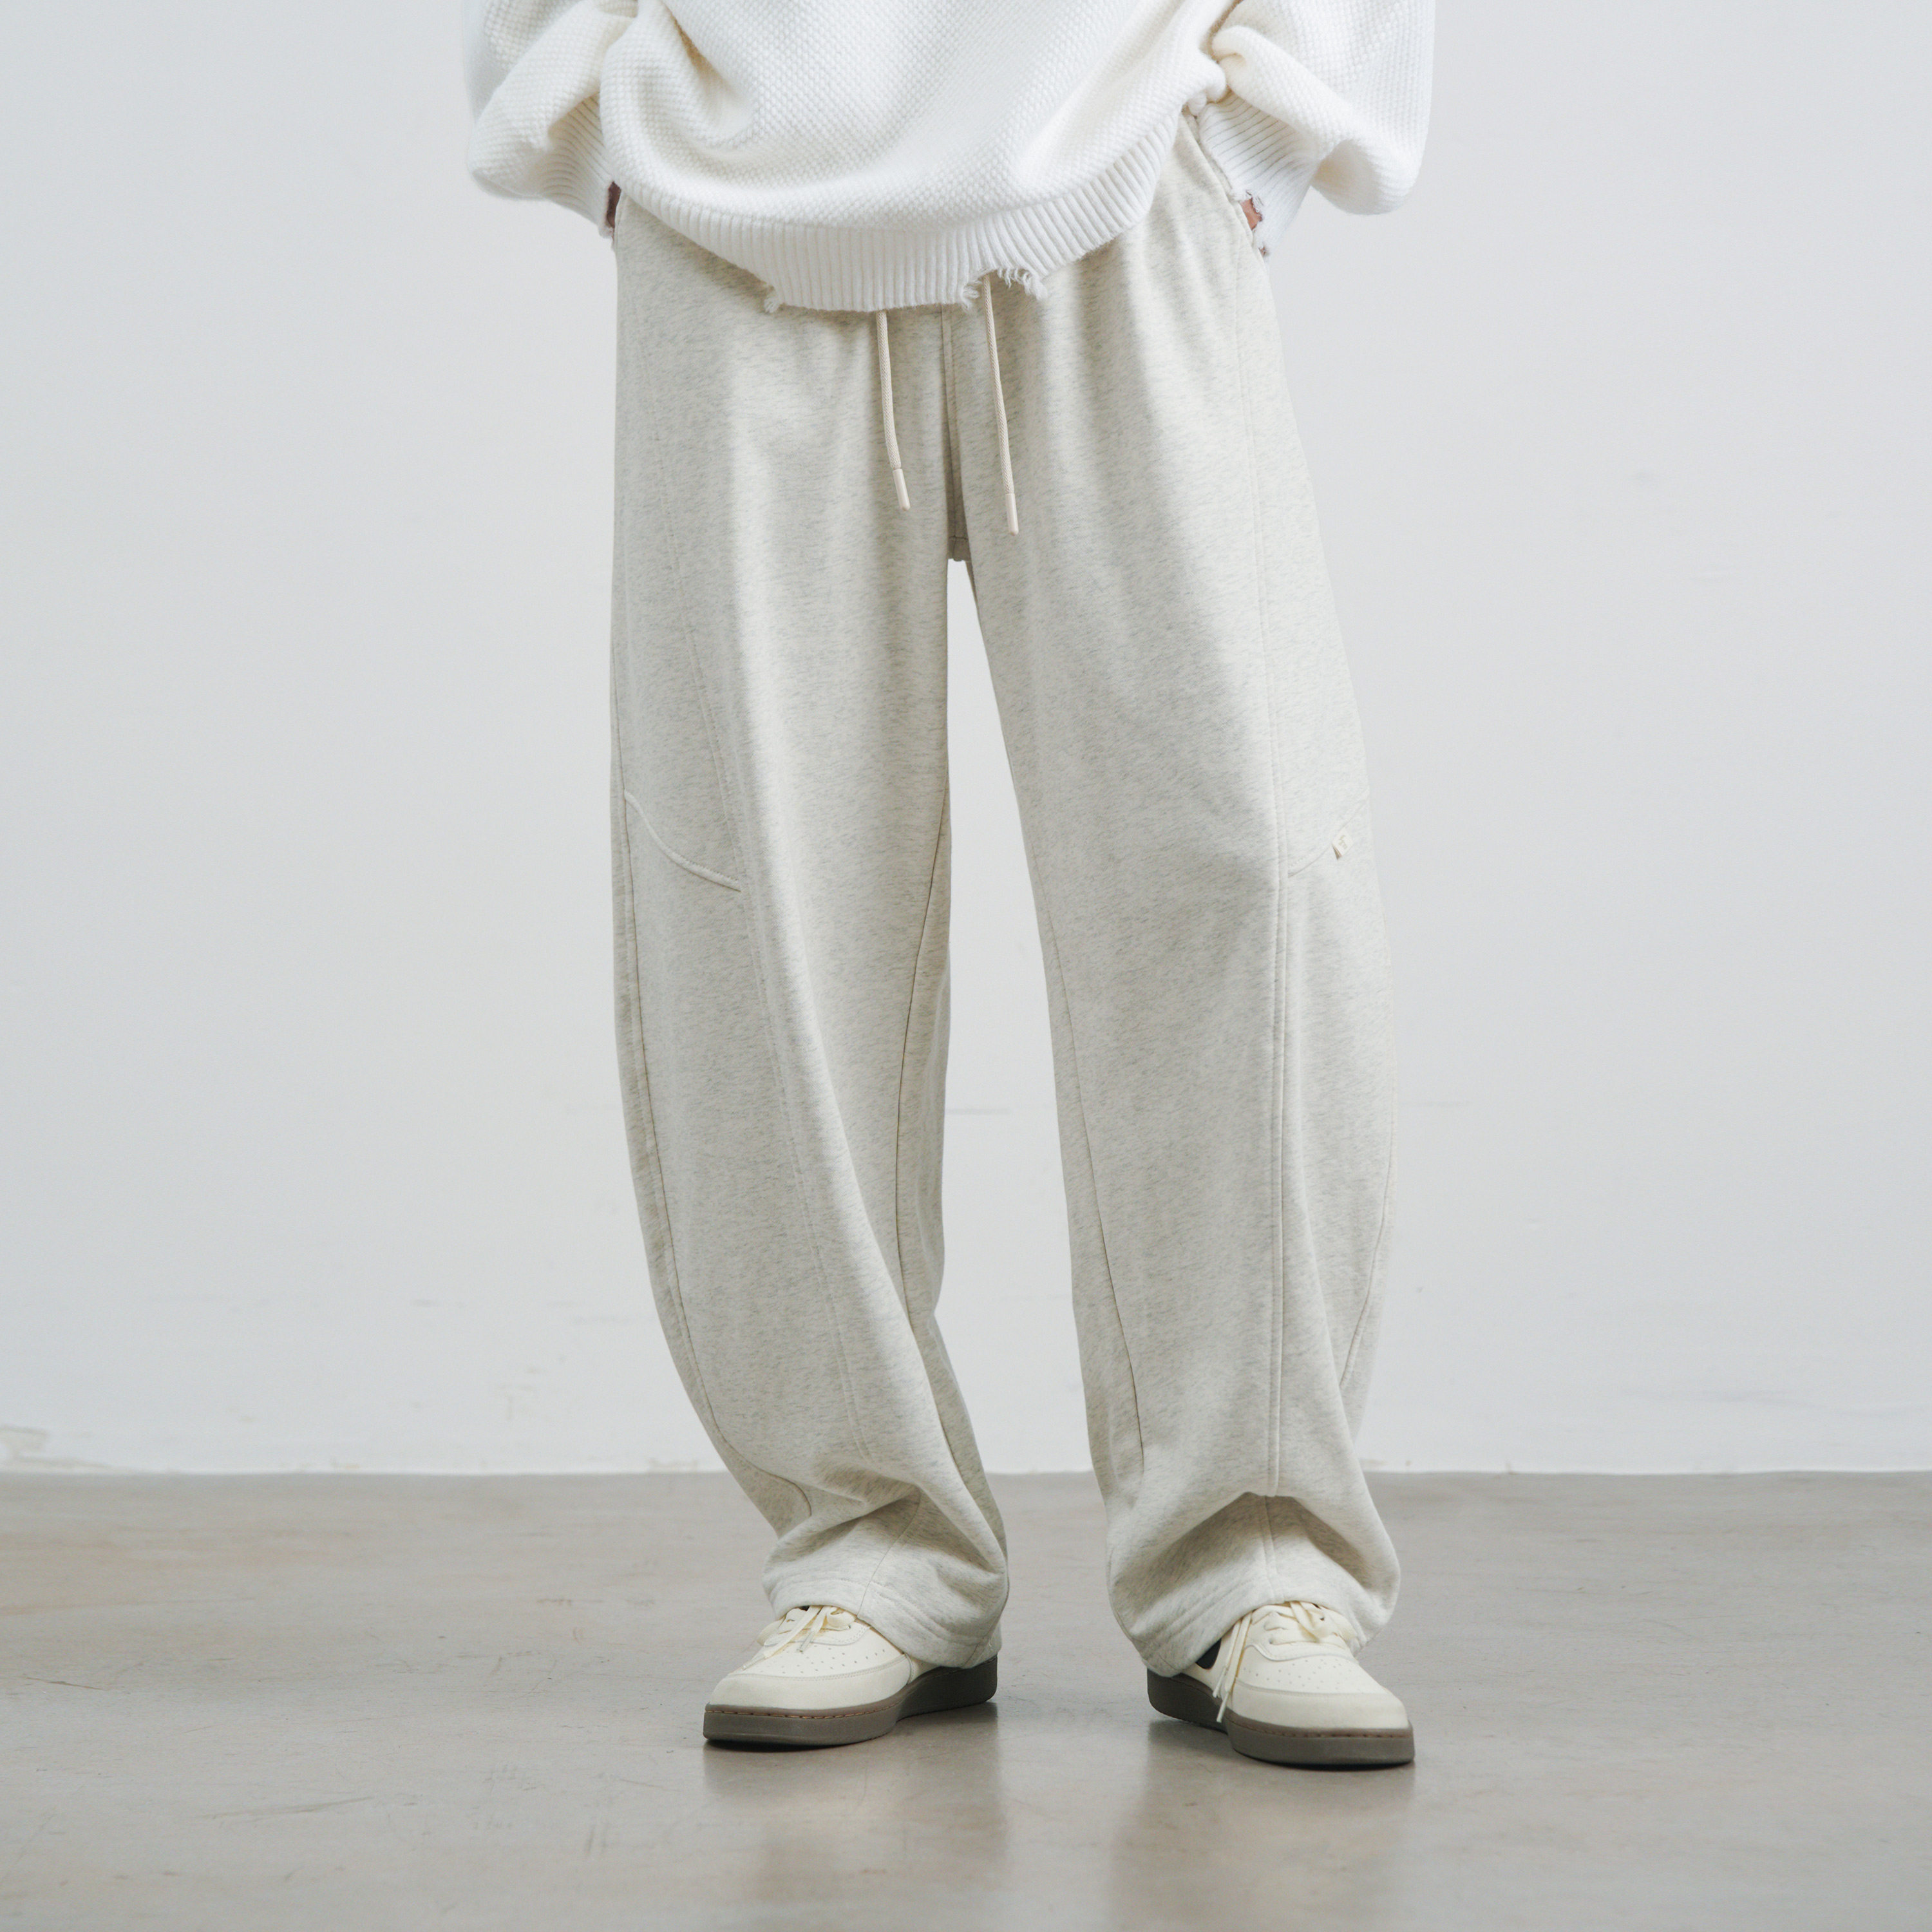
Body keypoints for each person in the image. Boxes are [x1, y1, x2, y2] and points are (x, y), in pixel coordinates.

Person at [462, 0, 1433, 1768]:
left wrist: (1265, 120)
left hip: (1131, 145)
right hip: (734, 186)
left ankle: (1256, 1553)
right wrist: (599, 119)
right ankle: (871, 1543)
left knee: (1249, 861)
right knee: (767, 885)